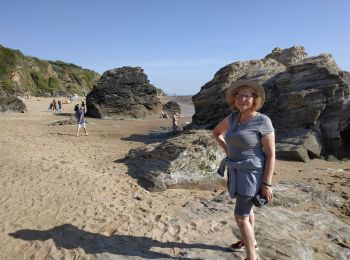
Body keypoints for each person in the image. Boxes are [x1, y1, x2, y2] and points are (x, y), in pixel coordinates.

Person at [213, 80, 275, 260]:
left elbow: (271, 155)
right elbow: (216, 132)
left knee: (240, 217)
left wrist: (266, 184)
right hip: (234, 170)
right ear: (235, 99)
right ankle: (251, 241)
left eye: (247, 96)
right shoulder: (232, 117)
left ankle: (251, 257)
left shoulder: (263, 121)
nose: (242, 99)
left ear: (254, 99)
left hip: (252, 173)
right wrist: (228, 151)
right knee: (247, 211)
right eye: (239, 96)